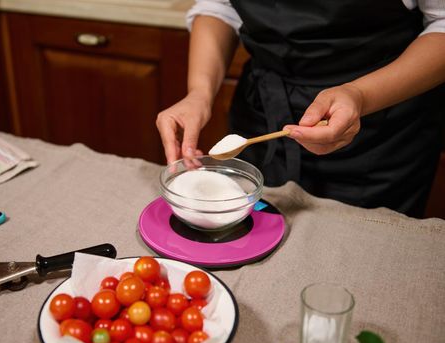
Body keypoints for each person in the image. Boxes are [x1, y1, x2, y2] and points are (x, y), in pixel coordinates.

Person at [156, 0, 445, 218]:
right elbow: (219, 5)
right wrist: (200, 92)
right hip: (263, 112)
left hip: (382, 131)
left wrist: (359, 95)